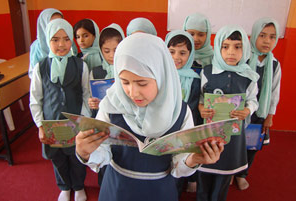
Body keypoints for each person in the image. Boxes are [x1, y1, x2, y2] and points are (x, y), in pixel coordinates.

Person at [75, 33, 224, 201]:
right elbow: (103, 154)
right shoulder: (111, 105)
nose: (133, 92)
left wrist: (194, 158)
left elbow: (178, 166)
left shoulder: (179, 111)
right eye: (124, 82)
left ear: (161, 76)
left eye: (142, 83)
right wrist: (85, 152)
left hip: (159, 191)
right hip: (118, 189)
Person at [29, 18, 91, 201]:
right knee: (58, 158)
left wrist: (84, 120)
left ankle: (79, 186)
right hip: (51, 124)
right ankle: (64, 186)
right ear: (48, 40)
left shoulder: (81, 65)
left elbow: (87, 95)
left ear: (71, 40)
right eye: (55, 39)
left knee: (77, 157)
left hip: (75, 124)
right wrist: (40, 124)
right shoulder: (41, 67)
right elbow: (35, 98)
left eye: (65, 39)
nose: (61, 44)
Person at [196, 25, 260, 201]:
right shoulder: (208, 72)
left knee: (224, 176)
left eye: (237, 47)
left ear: (245, 48)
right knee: (204, 171)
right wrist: (202, 108)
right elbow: (201, 97)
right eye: (225, 46)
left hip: (233, 136)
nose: (231, 52)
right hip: (209, 134)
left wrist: (247, 110)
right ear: (218, 47)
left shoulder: (249, 76)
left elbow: (253, 100)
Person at [234, 18, 282, 190]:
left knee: (251, 145)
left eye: (272, 37)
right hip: (239, 110)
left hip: (259, 113)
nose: (267, 41)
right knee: (234, 142)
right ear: (253, 35)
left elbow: (274, 93)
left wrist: (270, 116)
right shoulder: (243, 59)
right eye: (262, 35)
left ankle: (241, 174)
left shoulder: (275, 64)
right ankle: (231, 169)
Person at [165, 30, 201, 197]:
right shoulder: (160, 75)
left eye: (182, 53)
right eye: (171, 51)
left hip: (182, 130)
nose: (176, 57)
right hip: (161, 129)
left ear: (191, 54)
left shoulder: (194, 79)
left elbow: (192, 107)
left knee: (178, 165)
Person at [88, 23, 125, 186]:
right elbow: (90, 95)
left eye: (116, 50)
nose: (111, 55)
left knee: (120, 159)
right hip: (102, 121)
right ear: (100, 50)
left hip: (122, 123)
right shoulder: (96, 71)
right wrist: (92, 103)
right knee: (103, 158)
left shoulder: (127, 69)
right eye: (106, 51)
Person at [29, 8, 77, 79]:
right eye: (52, 23)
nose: (57, 26)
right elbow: (33, 74)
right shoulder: (36, 47)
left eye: (59, 21)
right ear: (43, 24)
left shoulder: (69, 41)